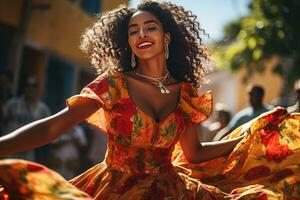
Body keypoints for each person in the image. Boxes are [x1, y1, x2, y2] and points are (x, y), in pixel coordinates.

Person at [0, 1, 299, 199]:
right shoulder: (113, 85)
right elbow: (53, 127)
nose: (141, 34)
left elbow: (194, 153)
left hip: (172, 190)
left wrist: (250, 134)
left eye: (150, 27)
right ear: (127, 41)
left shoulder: (184, 94)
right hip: (115, 189)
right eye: (133, 30)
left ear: (166, 37)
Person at [2, 76, 51, 161]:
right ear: (24, 87)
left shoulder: (43, 109)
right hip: (9, 150)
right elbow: (2, 122)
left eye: (34, 86)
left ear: (38, 89)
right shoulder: (12, 104)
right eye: (28, 85)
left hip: (29, 153)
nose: (30, 88)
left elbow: (48, 132)